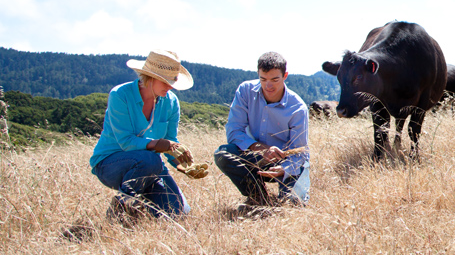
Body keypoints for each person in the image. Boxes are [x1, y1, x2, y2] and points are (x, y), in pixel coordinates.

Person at [90, 49, 203, 222]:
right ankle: (123, 207)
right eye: (165, 81)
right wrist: (158, 144)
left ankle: (139, 205)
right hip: (110, 164)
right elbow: (126, 142)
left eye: (173, 80)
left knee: (177, 212)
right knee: (150, 160)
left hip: (151, 165)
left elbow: (170, 141)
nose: (171, 86)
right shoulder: (120, 95)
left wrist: (181, 165)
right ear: (149, 77)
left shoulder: (171, 102)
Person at [214, 51, 309, 207]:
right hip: (256, 155)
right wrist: (260, 148)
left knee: (294, 205)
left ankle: (285, 196)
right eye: (263, 79)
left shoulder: (298, 108)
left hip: (288, 162)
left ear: (285, 76)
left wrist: (284, 169)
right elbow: (234, 131)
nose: (268, 86)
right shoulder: (245, 91)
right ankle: (259, 199)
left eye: (274, 79)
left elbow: (300, 152)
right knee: (223, 153)